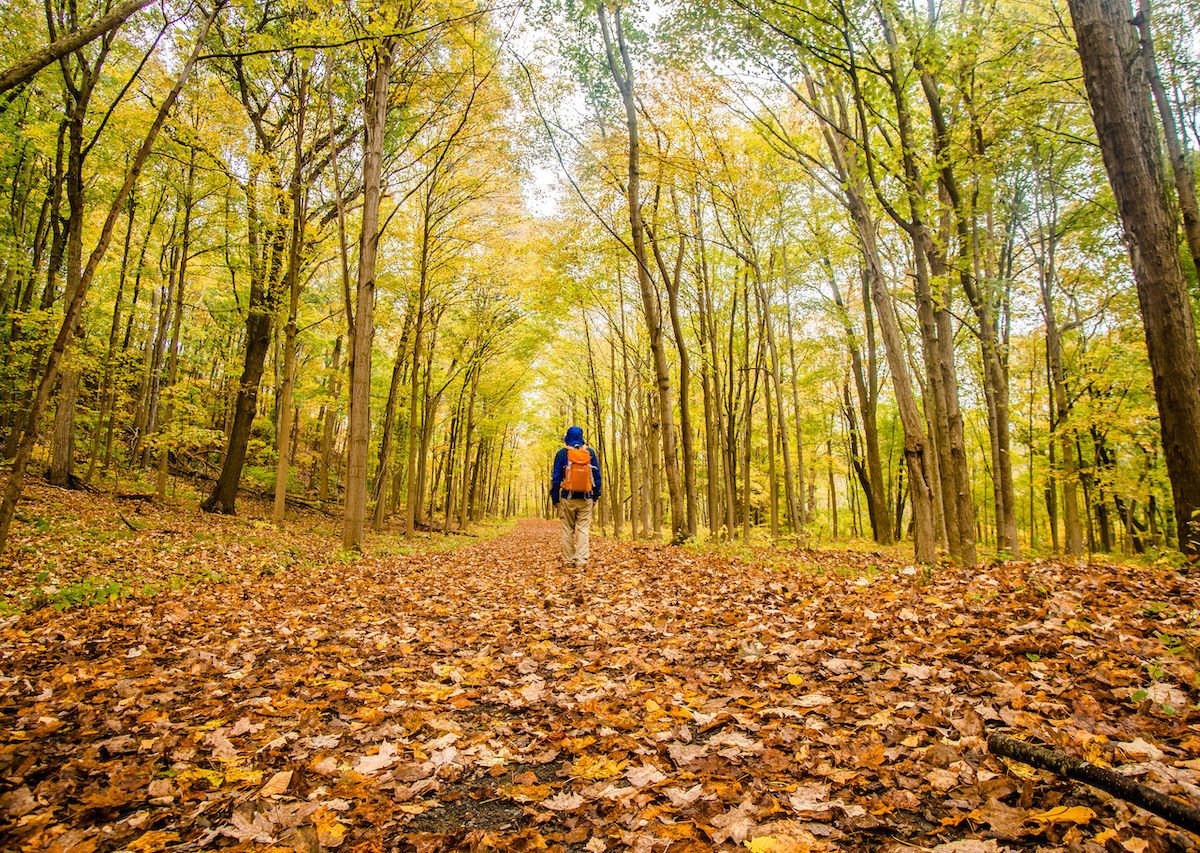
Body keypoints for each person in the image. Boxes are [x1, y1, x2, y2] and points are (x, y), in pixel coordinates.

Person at [550, 426, 601, 567]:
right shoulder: (589, 452)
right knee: (583, 529)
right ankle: (582, 560)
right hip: (586, 497)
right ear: (581, 436)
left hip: (568, 497)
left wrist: (555, 499)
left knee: (568, 529)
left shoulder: (561, 453)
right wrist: (596, 496)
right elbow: (597, 477)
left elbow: (555, 479)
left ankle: (569, 560)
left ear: (567, 437)